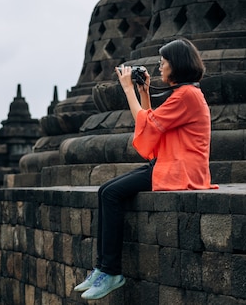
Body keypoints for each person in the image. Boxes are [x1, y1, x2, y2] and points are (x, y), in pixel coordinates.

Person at [74, 38, 218, 300]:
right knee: (105, 189)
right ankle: (101, 268)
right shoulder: (185, 94)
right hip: (169, 163)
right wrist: (144, 93)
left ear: (177, 65)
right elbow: (155, 125)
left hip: (180, 170)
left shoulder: (186, 95)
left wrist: (128, 90)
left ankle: (112, 271)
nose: (160, 67)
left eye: (163, 63)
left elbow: (149, 126)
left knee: (111, 193)